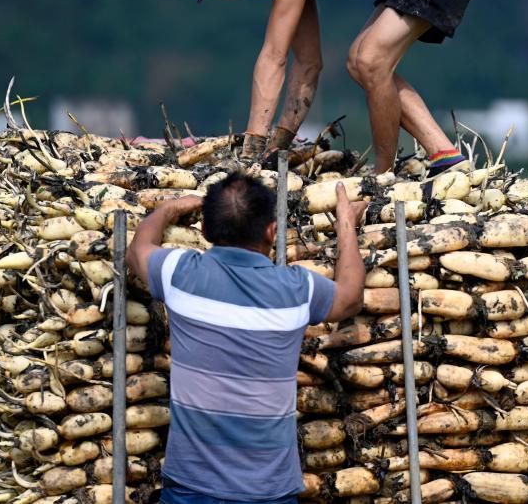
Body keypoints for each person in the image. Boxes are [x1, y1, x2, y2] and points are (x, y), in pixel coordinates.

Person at [177, 0, 492, 174]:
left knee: (371, 60)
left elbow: (274, 58)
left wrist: (252, 151)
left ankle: (384, 175)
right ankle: (445, 156)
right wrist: (277, 148)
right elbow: (308, 65)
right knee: (358, 63)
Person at [126, 172, 367, 503]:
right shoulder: (297, 289)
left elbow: (138, 250)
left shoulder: (180, 274)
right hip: (268, 492)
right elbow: (351, 296)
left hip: (191, 489)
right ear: (271, 231)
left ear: (206, 231)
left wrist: (169, 210)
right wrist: (345, 226)